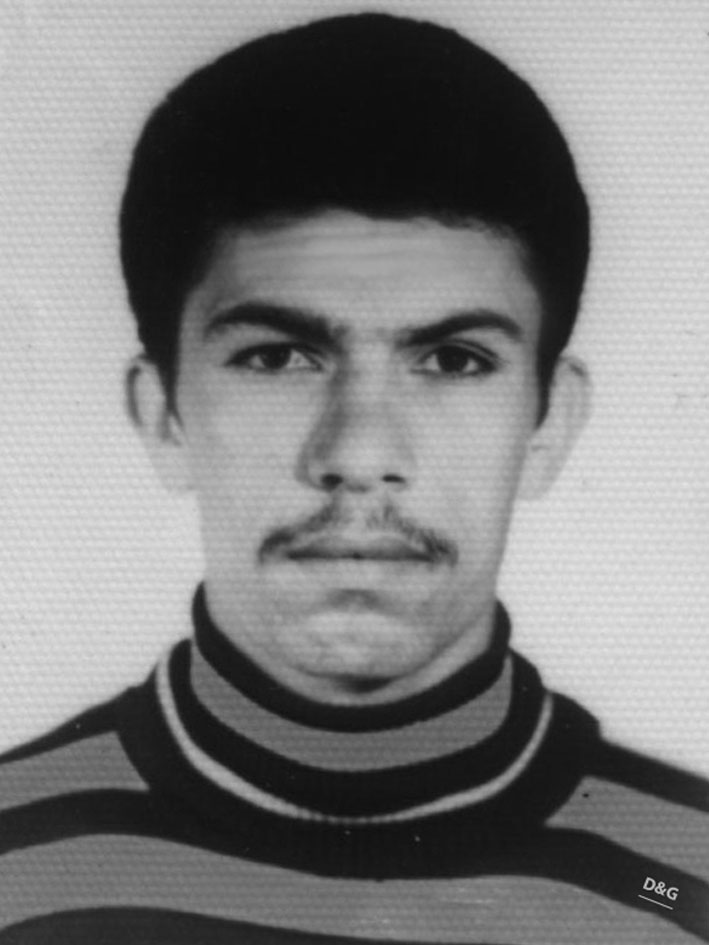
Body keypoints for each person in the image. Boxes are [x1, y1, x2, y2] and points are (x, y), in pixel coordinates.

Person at [0, 11, 707, 943]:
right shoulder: (13, 870)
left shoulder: (678, 885)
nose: (360, 450)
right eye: (276, 356)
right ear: (164, 412)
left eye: (453, 360)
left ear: (546, 423)